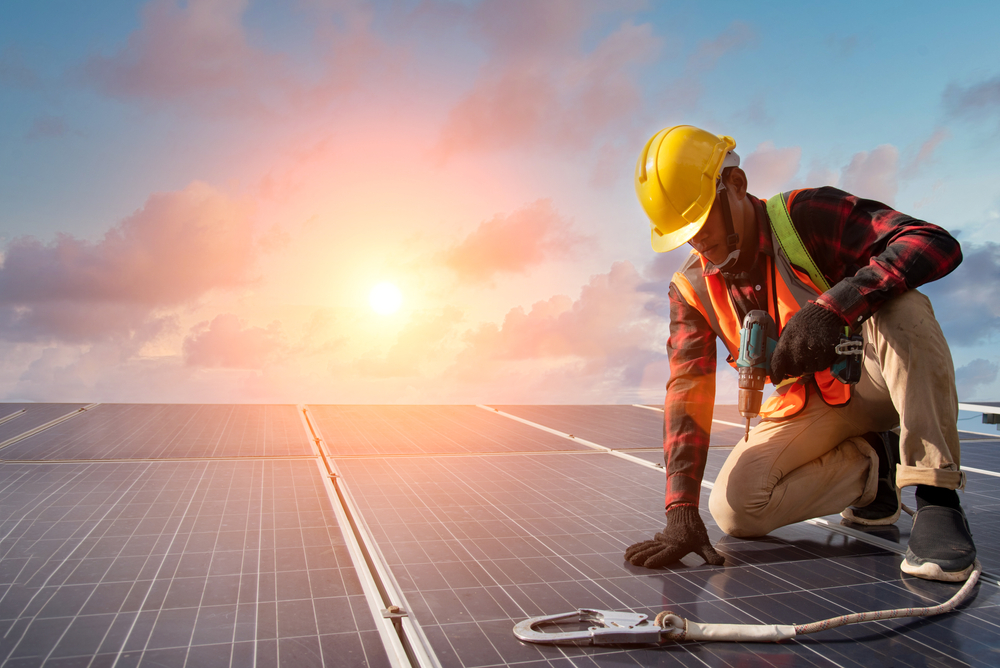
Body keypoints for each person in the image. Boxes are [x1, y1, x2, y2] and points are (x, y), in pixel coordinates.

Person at [625, 125, 976, 582]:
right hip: (810, 405)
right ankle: (875, 471)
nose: (698, 242)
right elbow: (687, 391)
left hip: (875, 380)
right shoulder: (691, 289)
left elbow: (933, 242)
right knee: (736, 511)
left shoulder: (803, 216)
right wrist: (681, 510)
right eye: (684, 234)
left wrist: (836, 306)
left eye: (701, 221)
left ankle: (936, 497)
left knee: (904, 307)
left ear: (736, 185)